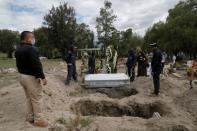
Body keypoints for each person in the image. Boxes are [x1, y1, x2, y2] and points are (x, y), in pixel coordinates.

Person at [15, 31, 48, 127]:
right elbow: (36, 64)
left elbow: (18, 64)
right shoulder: (31, 49)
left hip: (21, 76)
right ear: (28, 38)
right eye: (32, 37)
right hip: (30, 77)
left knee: (29, 97)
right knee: (37, 98)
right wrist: (42, 77)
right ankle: (38, 120)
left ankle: (30, 117)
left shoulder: (18, 49)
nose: (34, 39)